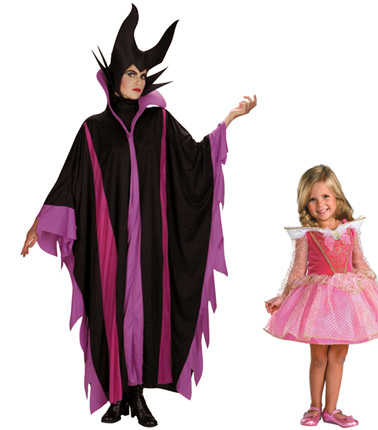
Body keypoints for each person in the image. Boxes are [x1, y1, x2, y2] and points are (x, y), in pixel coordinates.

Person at [21, 4, 256, 427]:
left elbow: (194, 160)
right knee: (109, 314)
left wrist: (228, 122)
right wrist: (40, 224)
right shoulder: (93, 130)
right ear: (114, 76)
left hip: (148, 244)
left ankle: (138, 396)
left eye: (143, 74)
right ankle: (116, 396)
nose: (138, 80)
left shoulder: (159, 124)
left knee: (146, 316)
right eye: (131, 73)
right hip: (107, 245)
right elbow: (70, 180)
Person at [264, 165, 378, 428]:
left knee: (338, 356)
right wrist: (284, 296)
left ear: (337, 197)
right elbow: (297, 270)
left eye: (325, 196)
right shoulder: (306, 234)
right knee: (318, 357)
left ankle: (331, 410)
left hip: (346, 301)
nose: (320, 204)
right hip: (317, 302)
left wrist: (371, 284)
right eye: (312, 199)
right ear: (305, 203)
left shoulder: (350, 229)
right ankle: (314, 407)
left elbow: (359, 262)